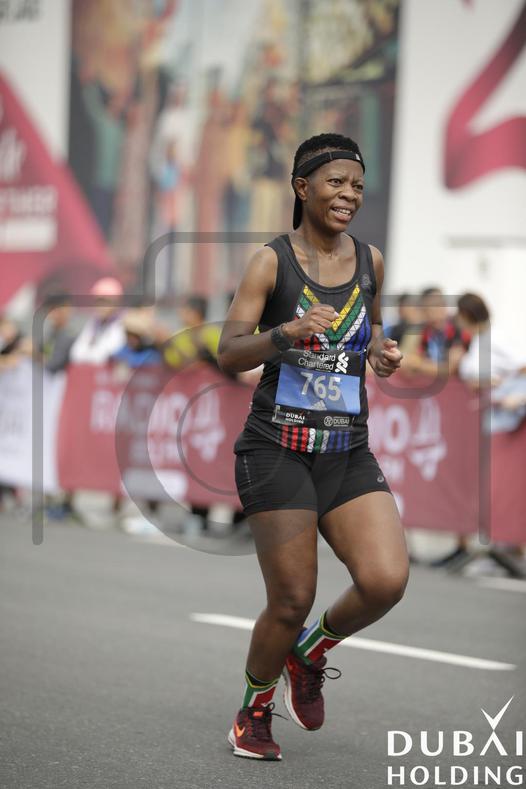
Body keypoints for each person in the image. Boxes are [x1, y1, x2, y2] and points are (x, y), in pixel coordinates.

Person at [218, 132, 408, 761]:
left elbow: (368, 332)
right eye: (336, 183)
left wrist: (380, 353)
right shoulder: (271, 262)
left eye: (357, 185)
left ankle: (310, 652)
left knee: (384, 580)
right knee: (292, 597)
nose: (349, 194)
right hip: (277, 449)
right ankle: (252, 711)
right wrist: (287, 332)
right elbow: (228, 352)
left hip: (346, 450)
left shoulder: (371, 260)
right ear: (302, 188)